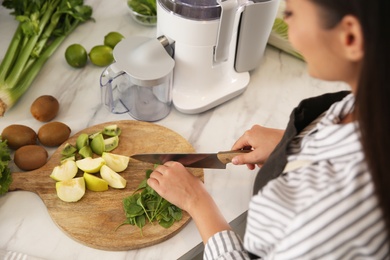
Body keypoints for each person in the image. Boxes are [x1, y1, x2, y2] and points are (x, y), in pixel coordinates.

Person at [147, 0, 390, 258]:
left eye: (292, 13)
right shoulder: (372, 100)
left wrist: (196, 201)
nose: (286, 22)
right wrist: (292, 146)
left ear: (349, 37)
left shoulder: (328, 210)